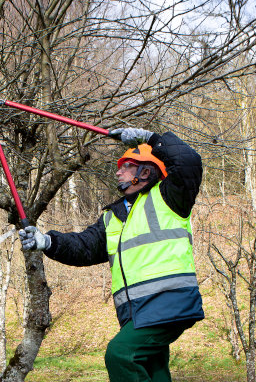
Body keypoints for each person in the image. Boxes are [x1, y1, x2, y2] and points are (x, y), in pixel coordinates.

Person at [19, 127, 204, 382]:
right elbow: (84, 246)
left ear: (146, 171)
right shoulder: (113, 216)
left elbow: (188, 161)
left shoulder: (170, 196)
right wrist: (47, 241)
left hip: (168, 302)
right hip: (138, 310)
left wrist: (150, 138)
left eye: (126, 165)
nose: (118, 171)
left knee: (121, 355)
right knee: (154, 369)